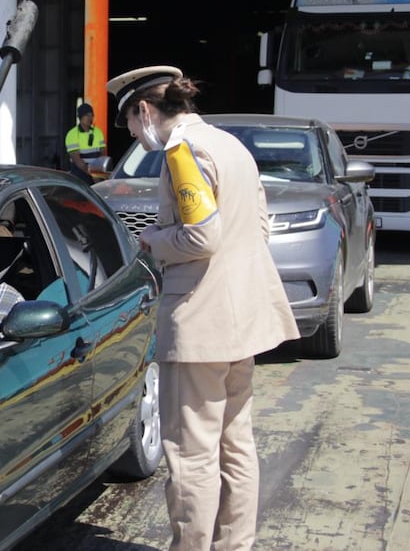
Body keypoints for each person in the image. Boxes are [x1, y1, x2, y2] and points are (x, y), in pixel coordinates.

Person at [107, 65, 298, 551]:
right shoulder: (230, 145)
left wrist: (150, 240)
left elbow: (200, 236)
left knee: (191, 456)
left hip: (199, 325)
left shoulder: (182, 152)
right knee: (236, 446)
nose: (130, 132)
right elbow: (258, 227)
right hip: (243, 322)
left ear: (145, 110)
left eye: (128, 119)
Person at [64, 102, 106, 184]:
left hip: (96, 174)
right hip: (80, 175)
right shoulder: (72, 134)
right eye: (87, 115)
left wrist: (98, 174)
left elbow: (103, 154)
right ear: (80, 117)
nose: (90, 118)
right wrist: (92, 174)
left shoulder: (98, 132)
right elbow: (77, 160)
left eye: (91, 115)